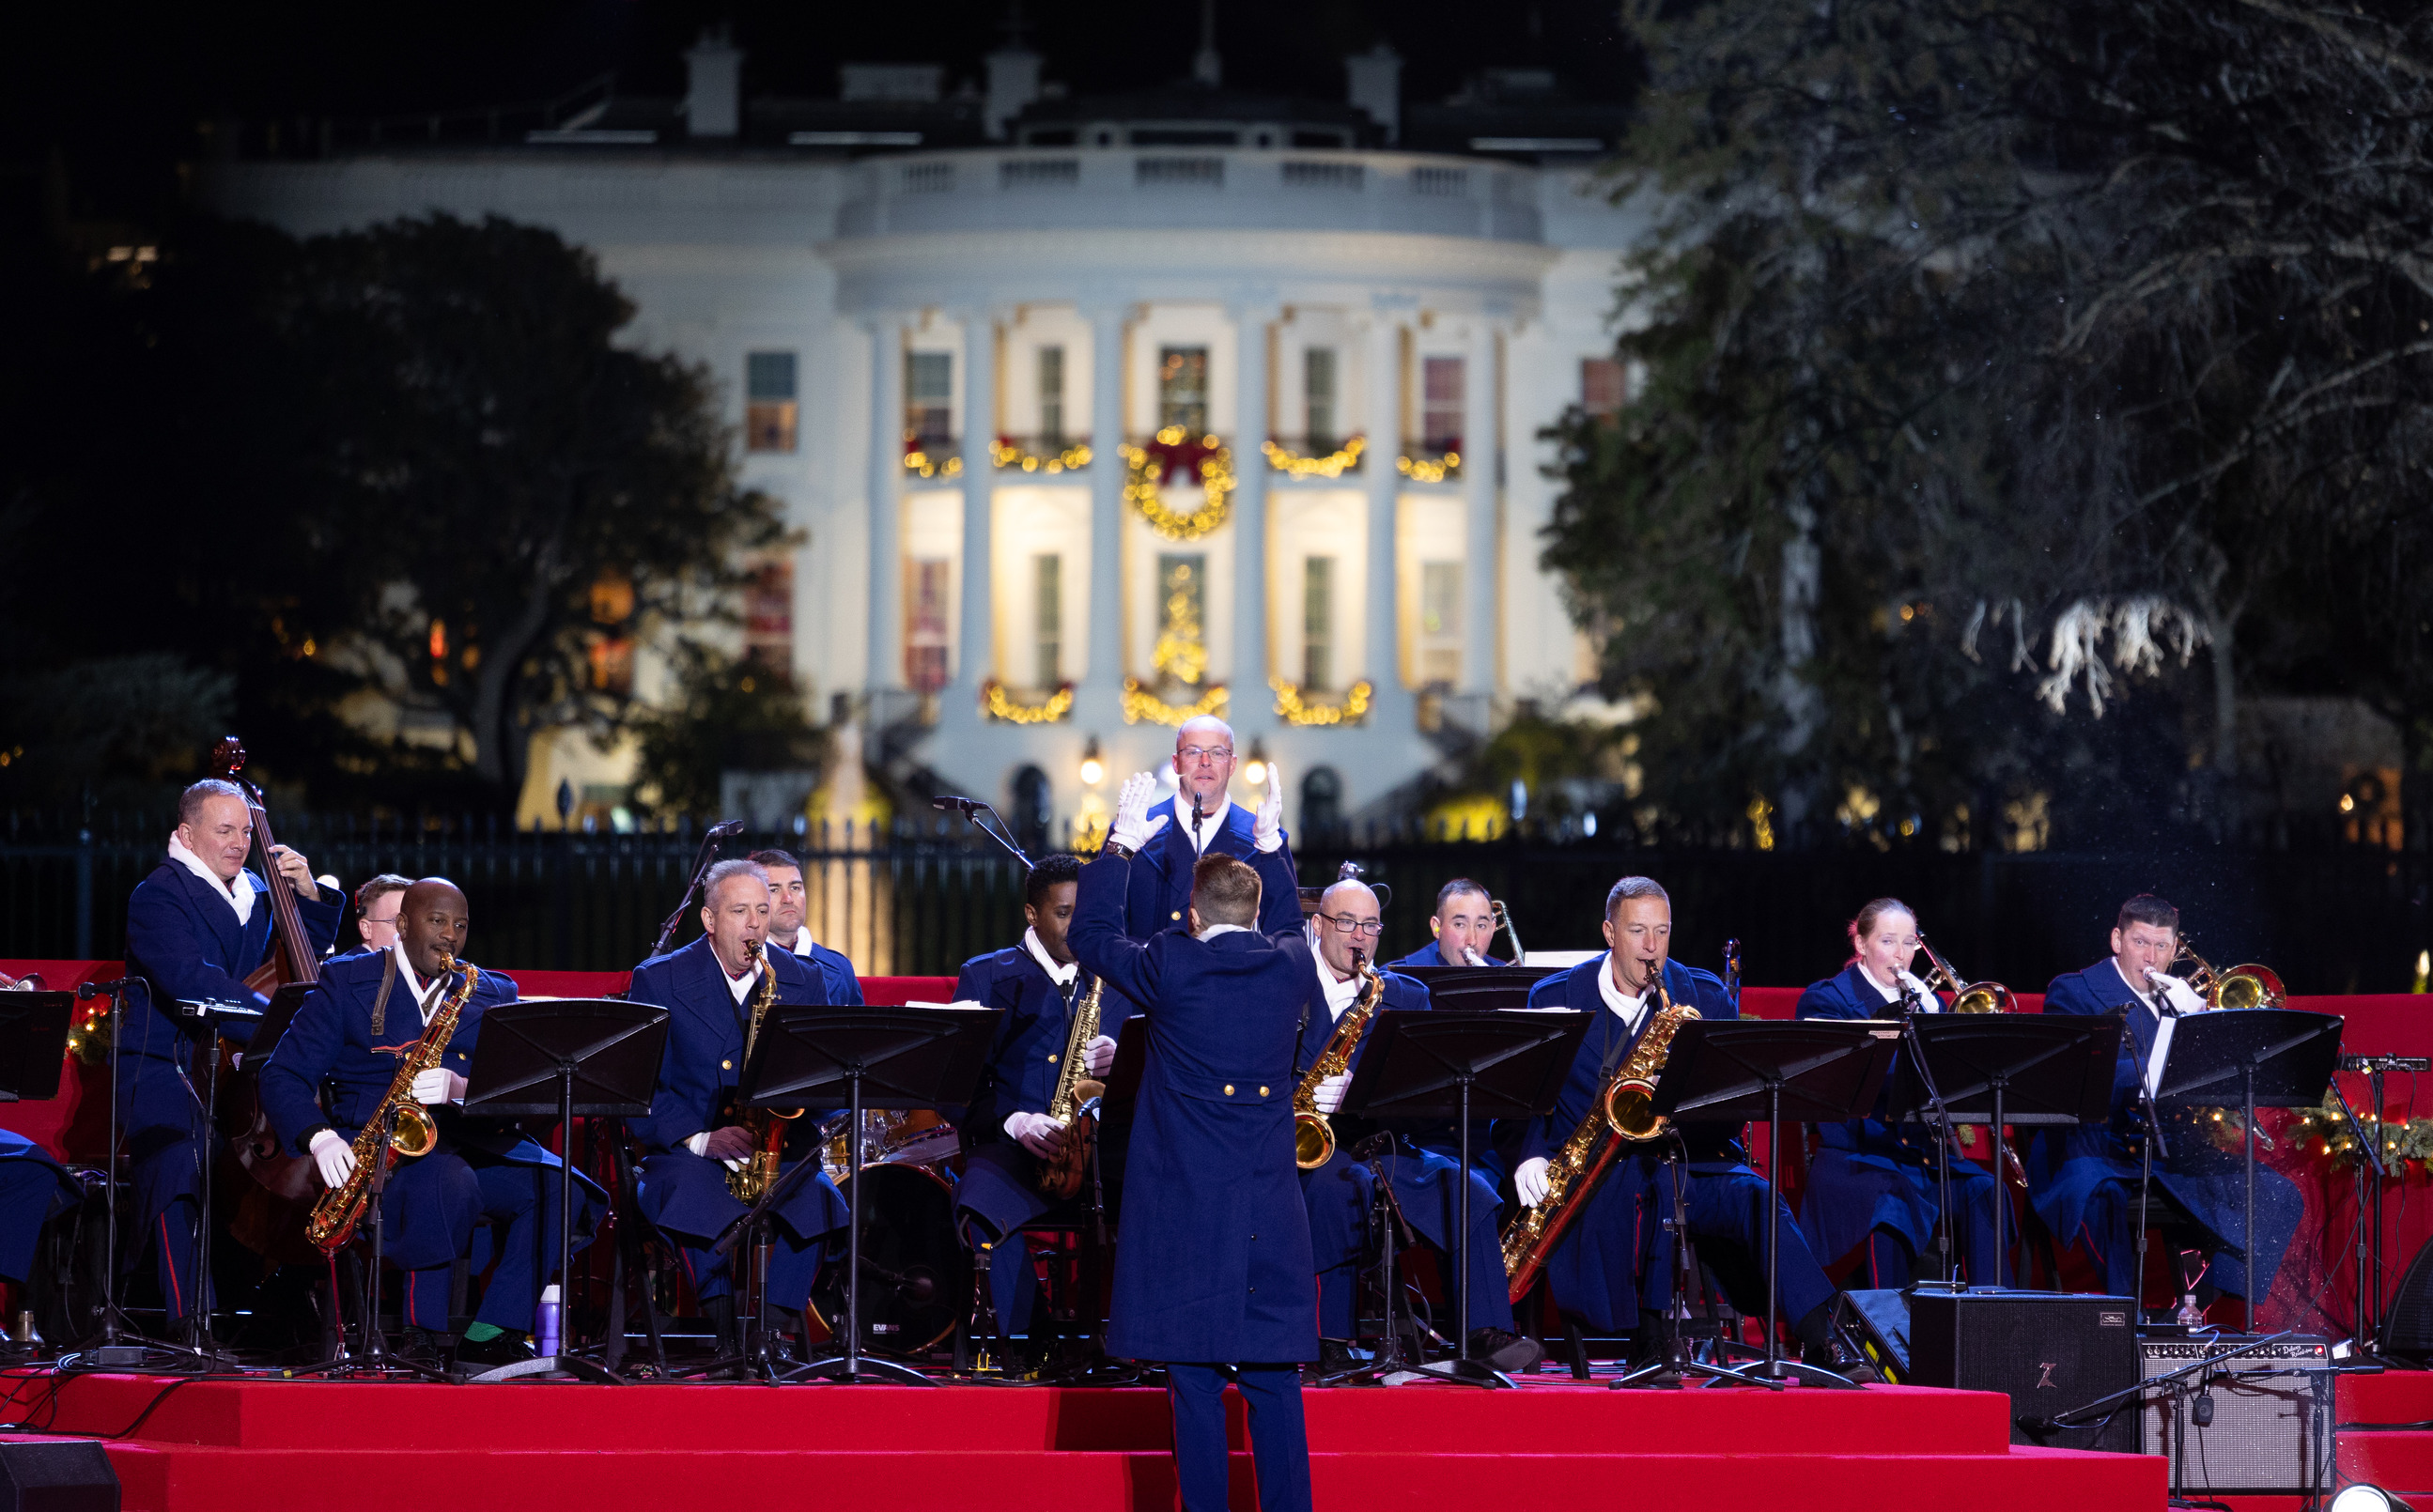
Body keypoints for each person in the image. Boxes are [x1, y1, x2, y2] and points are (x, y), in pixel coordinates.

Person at [1071, 770, 1313, 1512]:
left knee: (1196, 1382)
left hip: (1186, 1205)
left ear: (1194, 915)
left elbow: (1090, 937)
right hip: (1268, 1206)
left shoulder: (1172, 962)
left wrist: (1118, 846)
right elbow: (1286, 924)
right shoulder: (1292, 965)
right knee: (1274, 1383)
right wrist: (1273, 849)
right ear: (1259, 910)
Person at [258, 877, 602, 1367]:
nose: (449, 936)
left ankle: (494, 1331)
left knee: (558, 1187)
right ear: (401, 925)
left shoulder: (489, 990)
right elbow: (283, 1075)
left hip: (470, 1141)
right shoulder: (346, 981)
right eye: (436, 922)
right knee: (446, 1179)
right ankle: (422, 1332)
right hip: (378, 1151)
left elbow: (523, 1093)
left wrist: (462, 1090)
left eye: (459, 926)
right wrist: (320, 1137)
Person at [1514, 877, 1842, 1369]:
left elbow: (1736, 1098)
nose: (1652, 948)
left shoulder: (1701, 996)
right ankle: (1651, 1339)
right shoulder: (1555, 995)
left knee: (1757, 1197)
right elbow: (1527, 1097)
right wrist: (1531, 1154)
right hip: (1599, 1173)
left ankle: (1821, 1340)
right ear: (1609, 932)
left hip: (1691, 1159)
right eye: (1638, 931)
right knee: (1646, 1191)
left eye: (1662, 932)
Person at [1297, 874, 1540, 1374]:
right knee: (1331, 1190)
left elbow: (1426, 1096)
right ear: (1319, 926)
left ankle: (1483, 1332)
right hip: (1309, 1147)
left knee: (1466, 1186)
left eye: (1369, 925)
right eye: (1345, 923)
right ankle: (1331, 1339)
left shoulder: (1403, 994)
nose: (1358, 936)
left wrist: (1363, 1096)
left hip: (1385, 1141)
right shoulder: (1289, 988)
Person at [123, 779, 339, 1333]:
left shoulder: (261, 897)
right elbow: (193, 981)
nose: (240, 842)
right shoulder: (158, 895)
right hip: (168, 1066)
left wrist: (309, 898)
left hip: (243, 1073)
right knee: (182, 1157)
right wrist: (280, 1024)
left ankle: (289, 1309)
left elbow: (302, 966)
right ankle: (189, 1321)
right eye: (224, 830)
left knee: (315, 1150)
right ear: (186, 835)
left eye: (246, 830)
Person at [2035, 894, 2303, 1312]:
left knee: (2278, 1194)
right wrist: (2175, 1039)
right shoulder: (2076, 990)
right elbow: (2079, 1075)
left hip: (2168, 1150)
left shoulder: (2177, 998)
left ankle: (2202, 1306)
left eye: (2163, 947)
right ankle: (2125, 1320)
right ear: (2116, 940)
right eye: (2141, 943)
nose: (2151, 957)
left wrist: (2205, 1027)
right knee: (2103, 1196)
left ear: (2176, 949)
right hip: (2094, 1148)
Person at [626, 859, 849, 1350]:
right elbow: (636, 1090)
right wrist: (700, 1139)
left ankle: (772, 1333)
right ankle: (726, 1331)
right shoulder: (659, 979)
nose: (755, 925)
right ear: (709, 919)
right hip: (688, 1150)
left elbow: (821, 1079)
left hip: (776, 1149)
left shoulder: (801, 978)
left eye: (763, 911)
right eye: (741, 911)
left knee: (819, 1201)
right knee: (688, 1192)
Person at [950, 853, 1124, 1348]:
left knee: (1171, 1191)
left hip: (1095, 1150)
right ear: (1032, 914)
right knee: (978, 1203)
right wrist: (1016, 1122)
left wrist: (1127, 1061)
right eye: (1064, 913)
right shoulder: (986, 976)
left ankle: (1139, 1342)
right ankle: (1031, 1338)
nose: (1077, 925)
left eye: (1083, 913)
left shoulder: (1113, 978)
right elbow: (955, 1089)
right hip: (1016, 1145)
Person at [1794, 898, 2005, 1288]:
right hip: (1856, 1158)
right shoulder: (1828, 999)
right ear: (1861, 944)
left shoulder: (1930, 1001)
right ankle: (1886, 1333)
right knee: (1890, 1200)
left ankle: (1994, 1322)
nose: (1901, 955)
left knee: (1985, 1190)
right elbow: (1844, 1079)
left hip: (1919, 1157)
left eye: (1909, 943)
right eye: (1888, 941)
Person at [1121, 717, 1302, 939]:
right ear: (1176, 762)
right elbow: (1105, 932)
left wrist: (1270, 848)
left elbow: (1285, 937)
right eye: (1193, 752)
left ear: (1232, 764)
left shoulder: (1265, 839)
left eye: (1217, 753)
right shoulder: (1131, 832)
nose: (1205, 761)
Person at [748, 848, 864, 1004]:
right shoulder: (737, 966)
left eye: (795, 887)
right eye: (774, 890)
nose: (788, 899)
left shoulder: (841, 967)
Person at [1387, 879, 1507, 969]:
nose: (1472, 941)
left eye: (1481, 926)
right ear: (1436, 928)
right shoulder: (1400, 979)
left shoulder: (1508, 979)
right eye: (1459, 925)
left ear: (1492, 929)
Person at [350, 874, 412, 957]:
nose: (409, 931)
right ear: (366, 929)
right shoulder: (342, 969)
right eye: (397, 921)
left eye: (412, 921)